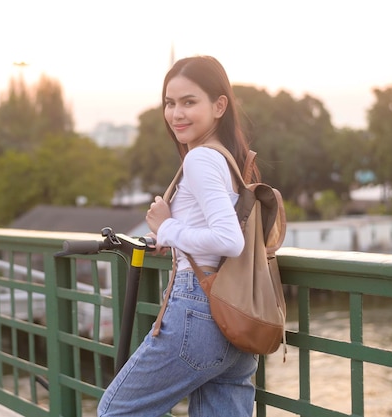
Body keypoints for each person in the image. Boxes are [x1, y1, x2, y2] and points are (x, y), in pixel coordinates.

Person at [97, 55, 259, 417]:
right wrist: (170, 241)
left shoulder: (201, 159)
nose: (176, 114)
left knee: (114, 411)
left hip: (199, 313)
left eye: (189, 102)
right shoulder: (231, 159)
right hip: (236, 317)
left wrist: (166, 227)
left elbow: (229, 240)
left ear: (219, 106)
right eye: (170, 103)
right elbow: (216, 232)